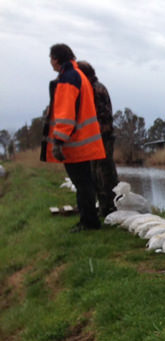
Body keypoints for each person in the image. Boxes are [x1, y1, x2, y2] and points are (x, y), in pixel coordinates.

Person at [40, 43, 106, 232]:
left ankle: (89, 223)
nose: (50, 63)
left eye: (50, 58)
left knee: (82, 184)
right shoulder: (79, 76)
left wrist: (58, 141)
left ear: (56, 58)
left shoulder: (68, 78)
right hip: (84, 140)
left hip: (75, 143)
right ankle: (88, 220)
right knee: (85, 183)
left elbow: (66, 113)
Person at [77, 60, 119, 219]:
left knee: (104, 173)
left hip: (103, 138)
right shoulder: (92, 88)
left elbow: (103, 118)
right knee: (97, 173)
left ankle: (110, 207)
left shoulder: (96, 90)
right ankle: (104, 207)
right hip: (97, 138)